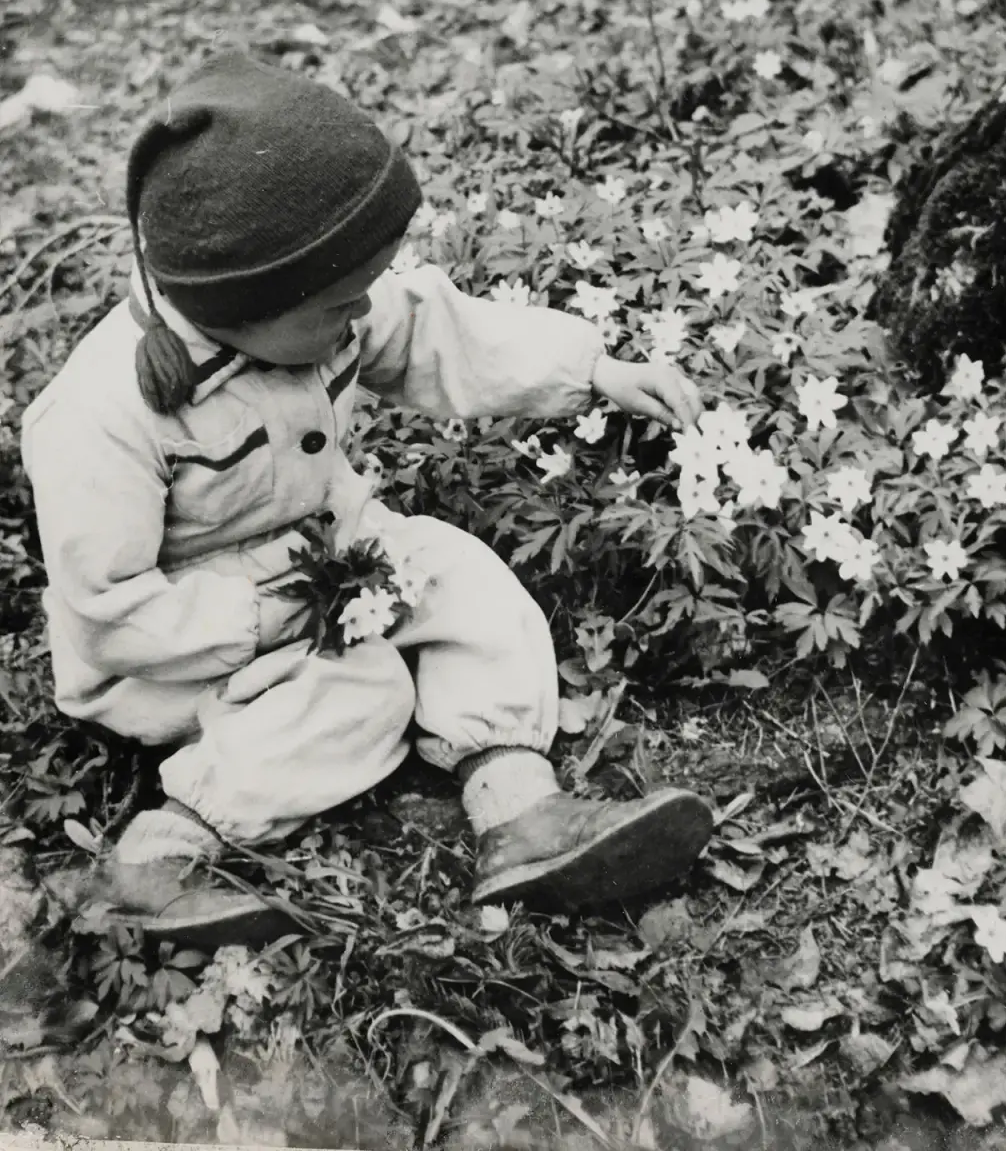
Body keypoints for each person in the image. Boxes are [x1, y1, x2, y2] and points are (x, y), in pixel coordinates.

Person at [20, 51, 714, 948]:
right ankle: (160, 862)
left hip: (334, 556)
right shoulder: (103, 414)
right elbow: (106, 611)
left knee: (463, 578)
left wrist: (594, 370)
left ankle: (519, 808)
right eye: (340, 306)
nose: (358, 320)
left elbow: (433, 329)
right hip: (180, 638)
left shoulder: (314, 308)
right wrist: (270, 619)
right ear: (242, 303)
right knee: (358, 693)